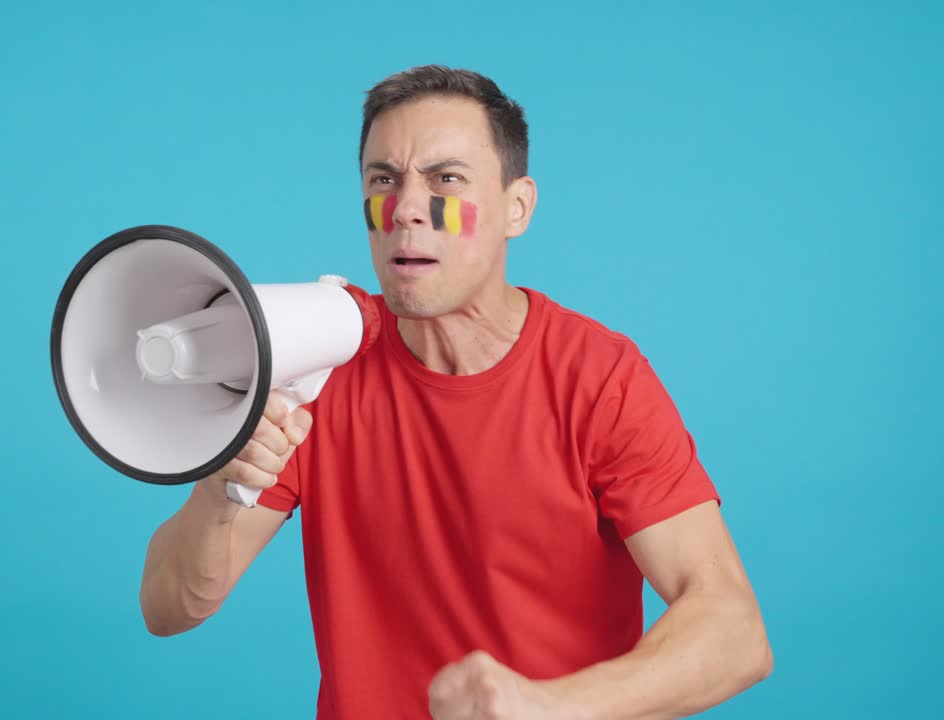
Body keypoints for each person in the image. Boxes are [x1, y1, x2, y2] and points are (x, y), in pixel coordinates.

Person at [139, 65, 772, 719]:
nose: (407, 208)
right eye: (384, 179)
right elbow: (168, 607)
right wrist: (220, 492)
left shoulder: (597, 377)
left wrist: (546, 708)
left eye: (446, 180)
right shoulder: (321, 360)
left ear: (517, 207)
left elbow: (734, 633)